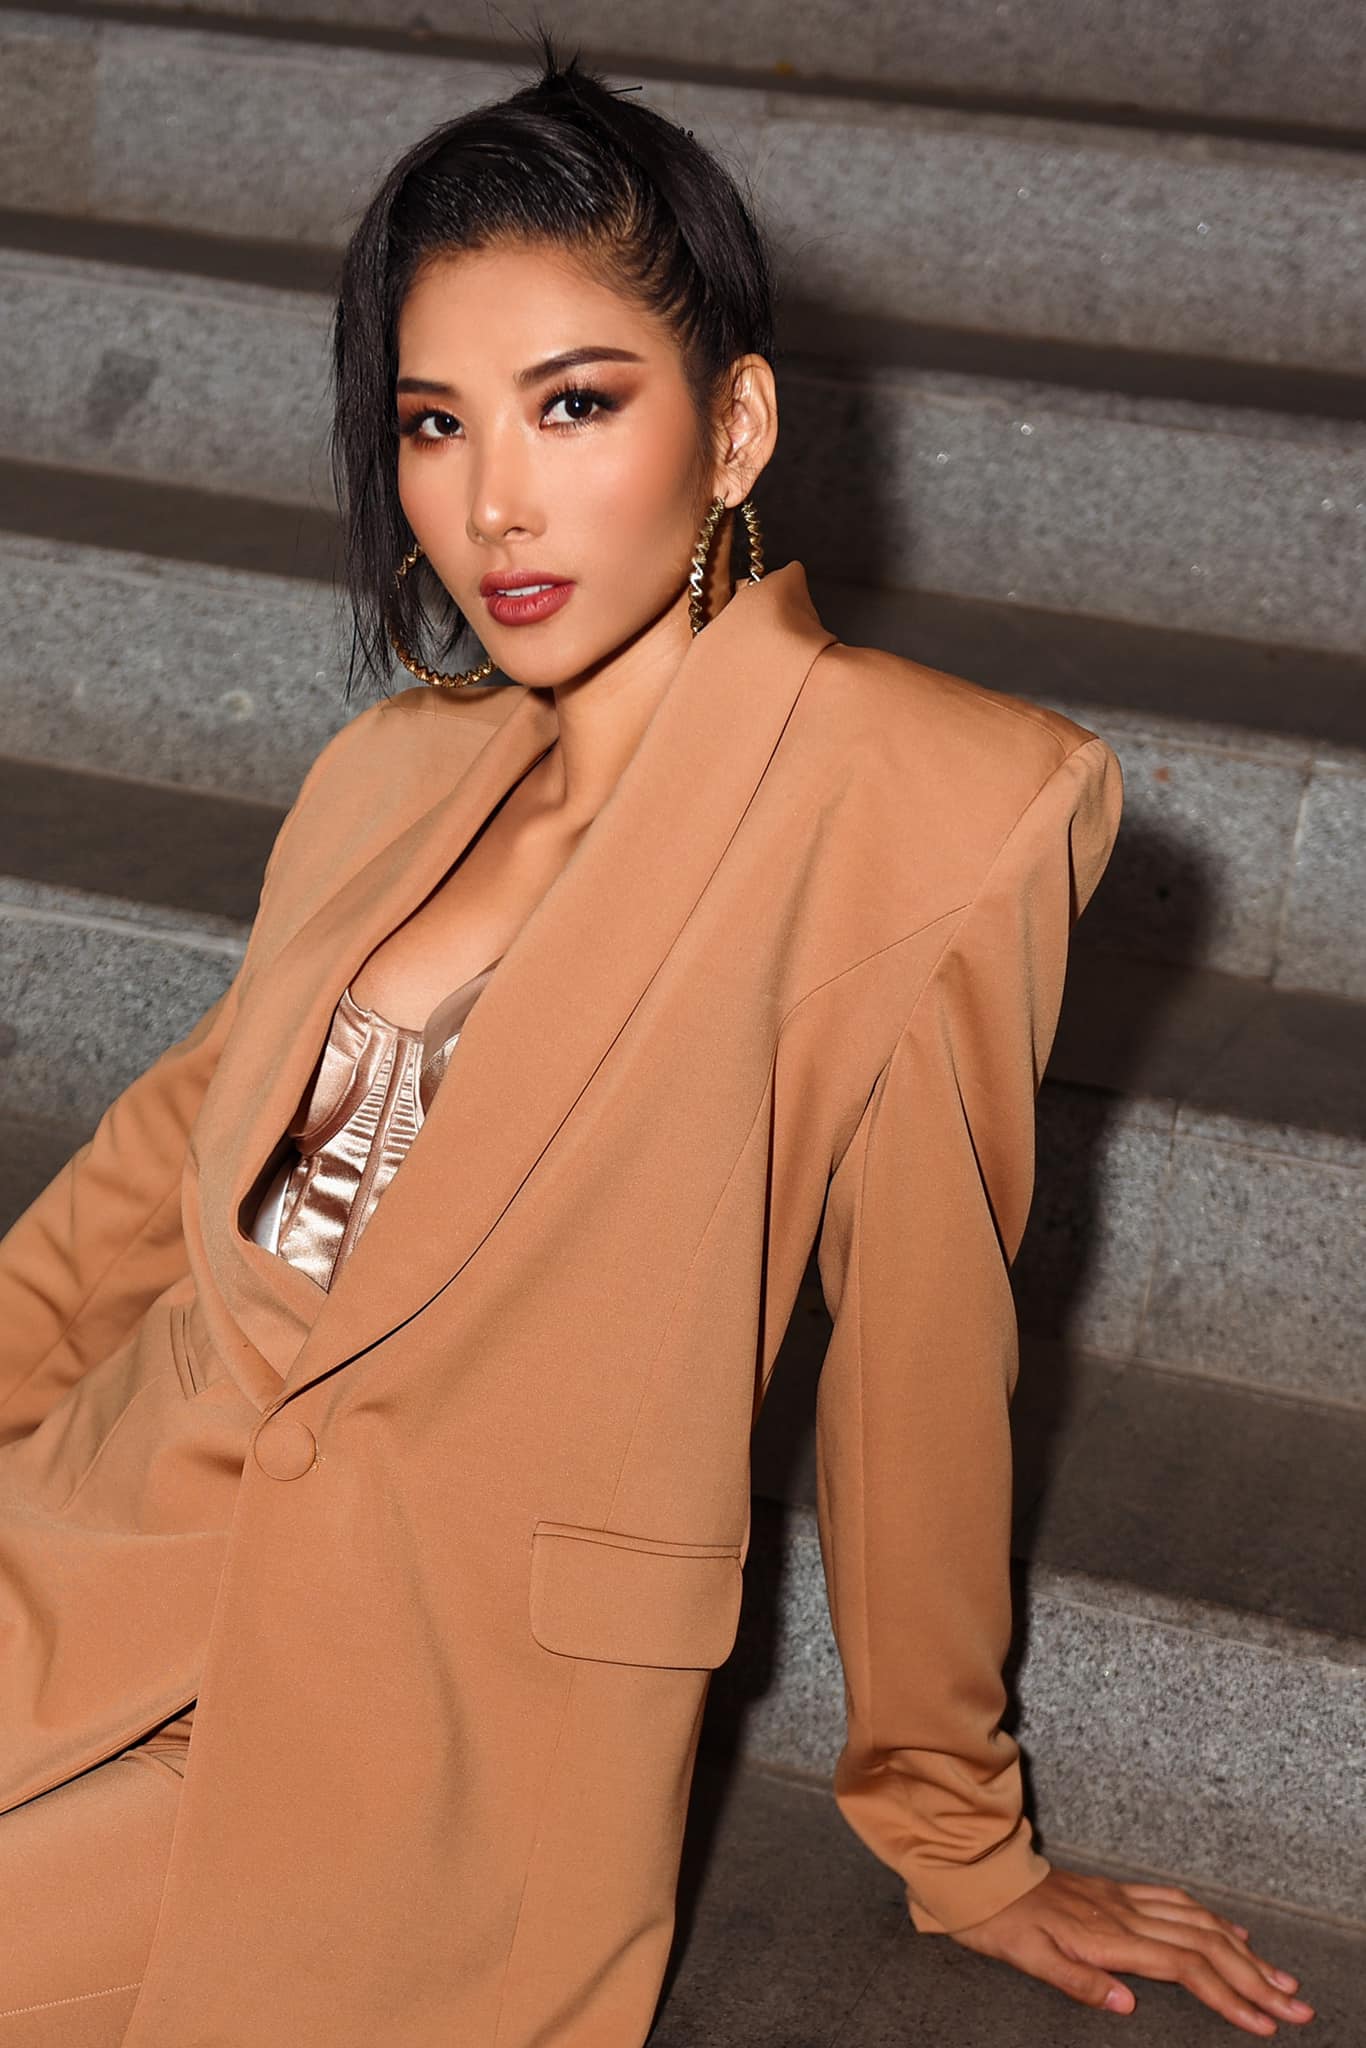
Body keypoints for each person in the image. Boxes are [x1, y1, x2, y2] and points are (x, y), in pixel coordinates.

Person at [0, 29, 1315, 2048]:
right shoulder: (387, 772)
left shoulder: (933, 809)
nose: (491, 500)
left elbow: (921, 1356)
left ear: (733, 426)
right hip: (99, 1543)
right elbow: (163, 1169)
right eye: (432, 423)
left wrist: (957, 1834)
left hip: (417, 1728)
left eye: (574, 403)